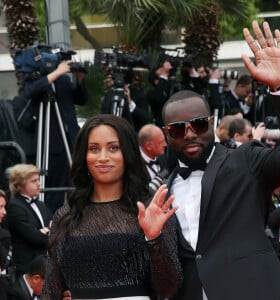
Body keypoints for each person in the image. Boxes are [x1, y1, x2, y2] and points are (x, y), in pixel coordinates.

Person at [161, 20, 280, 299]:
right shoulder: (165, 189)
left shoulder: (245, 161)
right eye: (178, 129)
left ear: (212, 123)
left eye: (198, 125)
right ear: (166, 136)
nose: (189, 134)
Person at [41, 114, 182, 299]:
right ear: (84, 155)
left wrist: (153, 239)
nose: (103, 157)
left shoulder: (150, 210)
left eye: (113, 148)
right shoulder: (66, 215)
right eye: (94, 149)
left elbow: (169, 288)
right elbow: (51, 290)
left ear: (128, 153)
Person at [23, 60, 88, 213]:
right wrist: (57, 72)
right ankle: (54, 223)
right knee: (55, 191)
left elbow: (81, 99)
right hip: (51, 144)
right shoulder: (35, 79)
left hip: (72, 140)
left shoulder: (64, 80)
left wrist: (80, 79)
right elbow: (30, 92)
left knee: (79, 183)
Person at [6, 164, 52, 279]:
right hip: (27, 270)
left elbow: (57, 226)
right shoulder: (15, 207)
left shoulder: (41, 205)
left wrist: (45, 231)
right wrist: (49, 231)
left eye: (38, 180)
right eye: (33, 181)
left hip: (46, 266)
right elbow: (36, 238)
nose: (39, 183)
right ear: (20, 185)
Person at [0, 189, 11, 300]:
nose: (4, 212)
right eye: (0, 207)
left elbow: (3, 263)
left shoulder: (4, 235)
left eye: (4, 207)